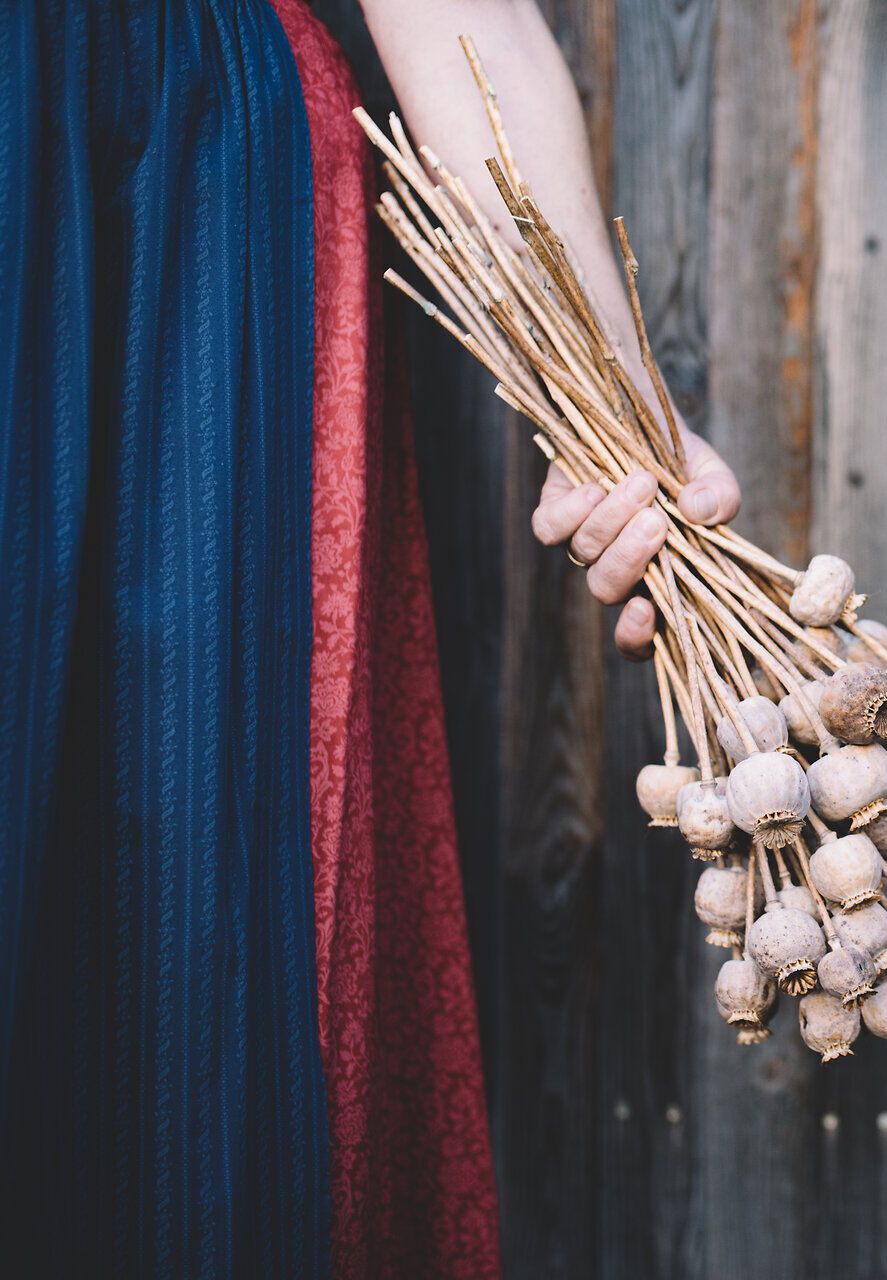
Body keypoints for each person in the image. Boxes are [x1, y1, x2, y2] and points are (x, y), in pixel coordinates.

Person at [0, 2, 731, 1274]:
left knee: (194, 954)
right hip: (159, 161)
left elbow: (465, 18)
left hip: (193, 202)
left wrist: (618, 422)